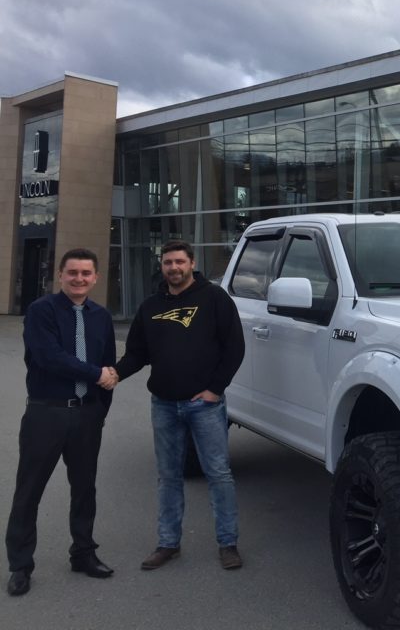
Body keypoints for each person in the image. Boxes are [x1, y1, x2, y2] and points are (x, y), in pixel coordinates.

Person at [113, 240, 245, 571]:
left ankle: (228, 543)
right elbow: (137, 354)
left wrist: (216, 389)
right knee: (168, 476)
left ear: (192, 263)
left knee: (218, 473)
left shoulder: (215, 298)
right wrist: (113, 373)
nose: (174, 268)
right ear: (162, 266)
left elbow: (235, 347)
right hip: (164, 405)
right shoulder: (150, 306)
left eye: (179, 262)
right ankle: (168, 543)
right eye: (168, 262)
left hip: (205, 406)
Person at [5, 248, 118, 597]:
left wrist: (100, 409)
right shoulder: (42, 311)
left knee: (85, 489)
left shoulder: (101, 316)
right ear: (60, 275)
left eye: (86, 273)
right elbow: (49, 357)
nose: (79, 278)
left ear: (96, 277)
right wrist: (97, 374)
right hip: (46, 412)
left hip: (86, 415)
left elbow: (108, 365)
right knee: (29, 491)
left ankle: (83, 553)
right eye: (73, 273)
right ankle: (20, 566)